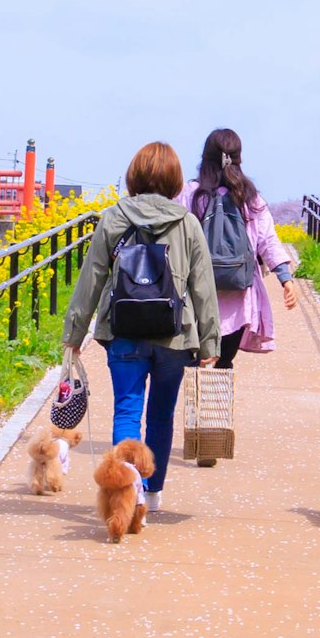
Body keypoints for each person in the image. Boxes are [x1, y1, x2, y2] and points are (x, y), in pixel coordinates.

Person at [62, 140, 218, 519]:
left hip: (124, 331)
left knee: (127, 412)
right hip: (174, 335)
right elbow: (202, 286)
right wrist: (210, 342)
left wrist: (75, 333)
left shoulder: (113, 218)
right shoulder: (187, 223)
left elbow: (92, 278)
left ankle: (124, 491)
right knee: (161, 416)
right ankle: (151, 492)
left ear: (133, 176)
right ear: (175, 180)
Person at [187, 125, 298, 392]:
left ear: (206, 158)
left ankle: (197, 420)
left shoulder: (191, 194)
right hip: (239, 294)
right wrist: (285, 278)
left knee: (195, 362)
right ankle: (218, 422)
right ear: (238, 157)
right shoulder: (249, 197)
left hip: (197, 294)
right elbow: (267, 239)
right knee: (224, 362)